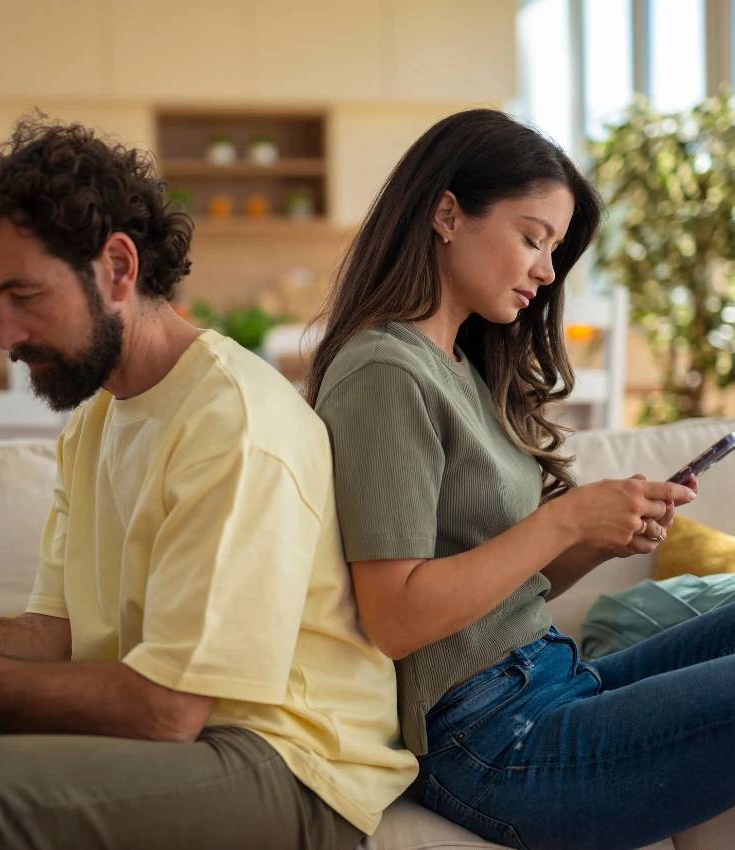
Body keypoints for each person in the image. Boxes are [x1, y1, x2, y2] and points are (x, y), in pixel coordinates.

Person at [0, 117, 417, 850]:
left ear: (118, 268)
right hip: (170, 732)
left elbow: (168, 710)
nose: (4, 335)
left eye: (24, 295)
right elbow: (57, 635)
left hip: (284, 761)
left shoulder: (232, 421)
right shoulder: (96, 420)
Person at [309, 108, 733, 850]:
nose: (546, 269)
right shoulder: (385, 370)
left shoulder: (462, 368)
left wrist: (600, 539)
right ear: (447, 213)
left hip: (542, 684)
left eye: (554, 249)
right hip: (489, 744)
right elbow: (396, 618)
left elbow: (495, 594)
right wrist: (563, 521)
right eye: (533, 238)